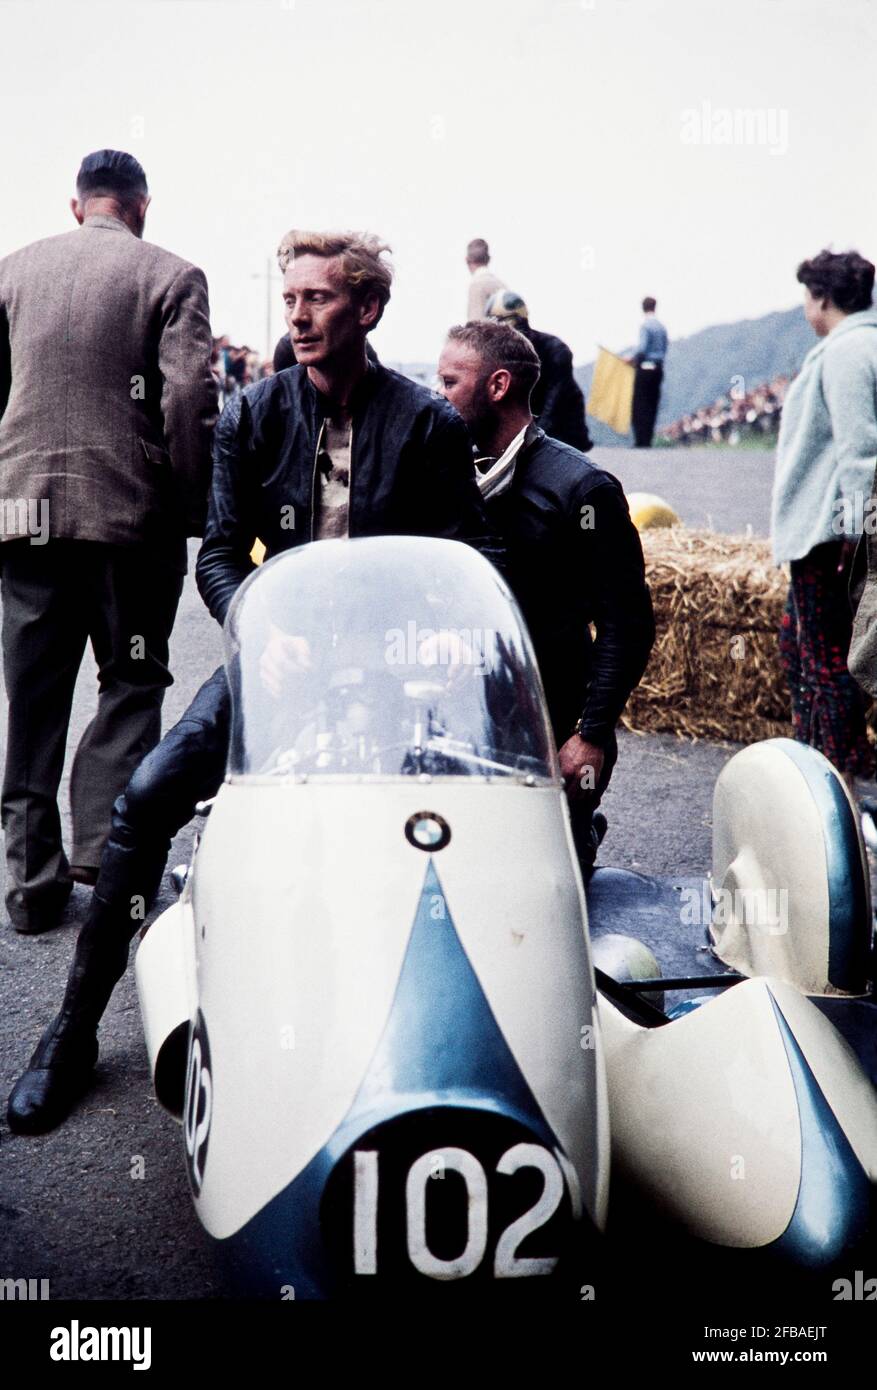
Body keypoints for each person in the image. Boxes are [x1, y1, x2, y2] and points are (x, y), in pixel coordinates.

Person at [7, 229, 501, 1135]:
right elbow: (223, 553)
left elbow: (469, 555)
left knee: (439, 830)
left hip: (391, 677)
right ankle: (70, 1034)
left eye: (317, 299)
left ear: (367, 310)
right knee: (145, 798)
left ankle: (431, 1039)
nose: (298, 316)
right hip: (279, 663)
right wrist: (254, 626)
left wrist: (416, 643)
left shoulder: (427, 423)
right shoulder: (254, 412)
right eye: (290, 301)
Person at [0, 150, 217, 934]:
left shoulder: (13, 272)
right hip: (132, 522)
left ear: (77, 205)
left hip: (24, 519)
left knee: (33, 699)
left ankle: (29, 886)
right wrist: (192, 508)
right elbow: (189, 396)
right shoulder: (169, 275)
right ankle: (102, 851)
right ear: (140, 205)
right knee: (128, 681)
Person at [437, 318, 655, 871]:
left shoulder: (584, 488)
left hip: (554, 713)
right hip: (461, 707)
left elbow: (626, 623)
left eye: (449, 382)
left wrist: (592, 734)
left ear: (498, 386)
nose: (437, 396)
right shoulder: (440, 471)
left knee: (541, 878)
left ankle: (581, 835)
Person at [772, 249, 877, 783]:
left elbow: (862, 450)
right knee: (799, 644)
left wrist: (859, 534)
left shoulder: (846, 351)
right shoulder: (863, 343)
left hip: (831, 532)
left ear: (823, 299)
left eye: (807, 299)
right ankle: (838, 760)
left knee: (824, 661)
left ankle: (830, 781)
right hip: (837, 529)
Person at [486, 290, 592, 451]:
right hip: (532, 424)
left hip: (564, 425)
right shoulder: (497, 355)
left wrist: (534, 438)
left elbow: (555, 399)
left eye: (503, 322)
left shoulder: (556, 350)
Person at [627, 296, 668, 447]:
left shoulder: (645, 326)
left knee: (640, 405)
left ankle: (640, 440)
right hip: (657, 369)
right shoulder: (662, 327)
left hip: (645, 368)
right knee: (652, 404)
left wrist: (631, 359)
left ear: (643, 307)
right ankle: (648, 439)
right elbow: (664, 349)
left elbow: (642, 349)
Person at [466, 237, 506, 320]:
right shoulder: (502, 286)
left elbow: (475, 324)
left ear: (467, 260)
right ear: (488, 259)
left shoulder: (477, 284)